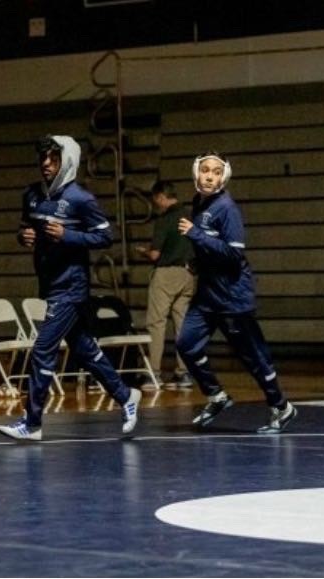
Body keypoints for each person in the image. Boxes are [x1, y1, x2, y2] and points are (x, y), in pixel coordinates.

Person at [0, 135, 141, 441]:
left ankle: (33, 422)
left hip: (71, 288)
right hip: (49, 283)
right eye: (43, 159)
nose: (46, 165)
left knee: (42, 350)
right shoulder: (32, 195)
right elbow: (25, 228)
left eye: (54, 159)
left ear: (68, 161)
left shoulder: (81, 199)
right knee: (84, 349)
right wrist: (24, 238)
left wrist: (69, 236)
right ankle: (126, 395)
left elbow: (105, 237)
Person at [176, 152, 296, 433]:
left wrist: (196, 235)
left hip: (232, 298)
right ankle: (216, 395)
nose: (209, 176)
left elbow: (233, 254)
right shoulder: (198, 202)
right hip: (207, 296)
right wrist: (197, 261)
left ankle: (281, 406)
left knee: (252, 357)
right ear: (196, 173)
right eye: (205, 170)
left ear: (224, 177)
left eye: (216, 172)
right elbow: (211, 249)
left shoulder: (227, 209)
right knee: (186, 345)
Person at [134, 180, 195, 389]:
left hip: (166, 274)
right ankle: (183, 373)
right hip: (187, 274)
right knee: (182, 325)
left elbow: (155, 254)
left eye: (156, 200)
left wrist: (143, 252)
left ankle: (154, 373)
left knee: (156, 324)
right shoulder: (190, 216)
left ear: (161, 197)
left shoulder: (165, 219)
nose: (156, 204)